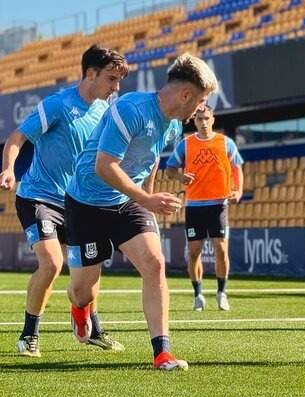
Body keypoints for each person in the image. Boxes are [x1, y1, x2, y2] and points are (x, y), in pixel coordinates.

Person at [65, 53, 218, 371]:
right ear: (186, 95)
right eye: (201, 100)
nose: (201, 109)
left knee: (154, 263)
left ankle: (162, 352)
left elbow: (153, 159)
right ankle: (80, 309)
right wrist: (146, 200)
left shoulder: (175, 125)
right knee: (82, 290)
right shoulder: (131, 109)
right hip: (86, 203)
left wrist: (145, 197)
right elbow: (104, 166)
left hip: (128, 203)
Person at [0, 45, 128, 357]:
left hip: (80, 203)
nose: (117, 87)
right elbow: (17, 138)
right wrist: (7, 169)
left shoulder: (104, 112)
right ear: (90, 74)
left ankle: (93, 328)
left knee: (90, 268)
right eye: (111, 79)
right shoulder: (57, 104)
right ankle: (29, 335)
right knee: (52, 263)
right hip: (38, 197)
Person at [166, 105, 243, 312]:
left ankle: (221, 293)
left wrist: (238, 190)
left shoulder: (225, 143)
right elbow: (170, 169)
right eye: (199, 119)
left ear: (213, 119)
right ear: (195, 121)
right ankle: (198, 294)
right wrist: (181, 176)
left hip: (219, 204)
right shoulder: (186, 144)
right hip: (194, 206)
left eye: (207, 118)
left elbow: (237, 167)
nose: (203, 122)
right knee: (193, 251)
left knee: (221, 248)